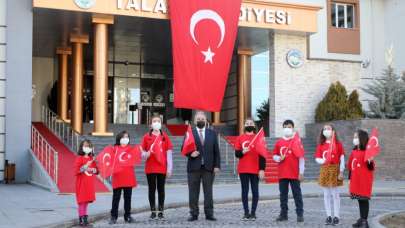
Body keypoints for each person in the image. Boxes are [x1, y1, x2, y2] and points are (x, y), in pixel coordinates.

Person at [183, 111, 221, 222]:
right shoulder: (190, 133)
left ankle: (209, 214)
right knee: (193, 192)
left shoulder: (212, 133)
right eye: (198, 119)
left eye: (202, 118)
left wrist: (217, 165)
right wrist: (191, 153)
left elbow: (216, 151)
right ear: (195, 121)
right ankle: (193, 214)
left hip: (208, 168)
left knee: (208, 192)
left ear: (206, 120)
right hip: (193, 168)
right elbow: (183, 149)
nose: (200, 120)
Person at [141, 114, 173, 220]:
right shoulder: (146, 137)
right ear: (151, 124)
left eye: (158, 121)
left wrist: (169, 168)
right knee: (151, 189)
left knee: (161, 189)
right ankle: (153, 211)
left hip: (162, 167)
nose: (156, 123)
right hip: (150, 167)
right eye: (154, 121)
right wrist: (146, 154)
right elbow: (142, 153)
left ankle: (160, 211)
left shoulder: (165, 137)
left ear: (161, 123)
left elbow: (169, 154)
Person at [272, 119, 305, 223]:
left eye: (289, 127)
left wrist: (301, 172)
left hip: (295, 173)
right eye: (285, 126)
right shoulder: (279, 142)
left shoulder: (296, 141)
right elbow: (274, 156)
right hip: (283, 173)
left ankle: (300, 214)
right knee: (283, 195)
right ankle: (283, 214)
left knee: (297, 194)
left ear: (293, 128)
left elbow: (301, 158)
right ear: (283, 128)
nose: (287, 128)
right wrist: (278, 158)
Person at [234, 118, 266, 221]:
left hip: (255, 169)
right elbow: (237, 154)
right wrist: (243, 151)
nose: (249, 124)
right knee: (245, 191)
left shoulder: (258, 138)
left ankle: (253, 213)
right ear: (244, 126)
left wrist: (262, 169)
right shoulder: (240, 138)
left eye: (251, 123)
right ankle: (246, 213)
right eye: (247, 123)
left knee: (255, 192)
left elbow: (262, 155)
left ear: (254, 125)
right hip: (243, 169)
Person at [314, 124, 345, 226]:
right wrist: (323, 160)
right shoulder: (321, 145)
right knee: (326, 195)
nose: (326, 130)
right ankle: (328, 216)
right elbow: (317, 158)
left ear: (333, 131)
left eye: (329, 129)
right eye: (325, 129)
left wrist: (341, 171)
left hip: (335, 169)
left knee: (335, 194)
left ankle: (336, 216)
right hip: (325, 169)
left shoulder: (338, 144)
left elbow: (342, 158)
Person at [348, 129, 375, 228]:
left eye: (356, 137)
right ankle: (361, 218)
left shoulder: (367, 153)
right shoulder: (354, 151)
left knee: (364, 200)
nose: (354, 139)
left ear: (361, 139)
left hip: (364, 181)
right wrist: (350, 179)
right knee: (359, 200)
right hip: (356, 181)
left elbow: (371, 167)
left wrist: (370, 161)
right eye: (354, 137)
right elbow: (350, 166)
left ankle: (364, 221)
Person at [109, 131, 137, 224]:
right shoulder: (114, 149)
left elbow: (136, 159)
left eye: (127, 137)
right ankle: (113, 216)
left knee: (128, 197)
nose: (125, 138)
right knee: (116, 197)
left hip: (128, 176)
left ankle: (127, 216)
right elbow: (109, 161)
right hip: (117, 176)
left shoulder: (131, 149)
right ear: (119, 138)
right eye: (123, 137)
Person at [75, 139, 98, 226]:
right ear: (81, 147)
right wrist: (86, 165)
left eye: (89, 146)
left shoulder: (92, 159)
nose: (87, 148)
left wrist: (94, 169)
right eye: (85, 146)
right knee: (81, 202)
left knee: (86, 202)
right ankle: (81, 219)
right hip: (81, 184)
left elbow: (96, 171)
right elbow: (77, 170)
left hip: (89, 184)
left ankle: (85, 218)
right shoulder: (79, 158)